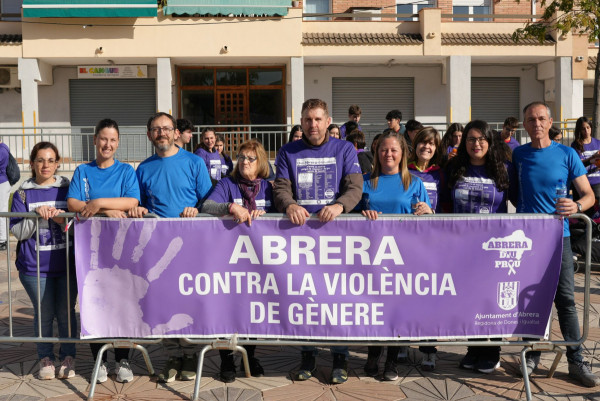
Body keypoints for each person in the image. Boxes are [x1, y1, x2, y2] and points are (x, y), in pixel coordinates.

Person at [274, 98, 363, 384]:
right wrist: (288, 205)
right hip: (302, 239)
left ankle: (340, 357)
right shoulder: (288, 151)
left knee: (337, 298)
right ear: (301, 123)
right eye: (307, 119)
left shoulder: (345, 148)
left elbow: (355, 187)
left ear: (327, 121)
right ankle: (308, 354)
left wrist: (339, 206)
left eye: (318, 119)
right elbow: (281, 188)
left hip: (335, 237)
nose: (313, 124)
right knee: (305, 298)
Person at [513, 102, 599, 387]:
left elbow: (588, 196)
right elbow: (512, 192)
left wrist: (575, 204)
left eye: (541, 118)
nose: (536, 123)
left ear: (551, 123)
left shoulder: (567, 153)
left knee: (565, 300)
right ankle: (531, 353)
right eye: (530, 119)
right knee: (530, 299)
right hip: (527, 238)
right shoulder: (519, 155)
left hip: (557, 236)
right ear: (524, 126)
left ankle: (576, 360)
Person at [128, 112, 212, 383]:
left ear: (176, 133)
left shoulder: (194, 162)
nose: (161, 133)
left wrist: (196, 209)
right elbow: (138, 203)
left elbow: (209, 202)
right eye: (156, 129)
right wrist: (138, 209)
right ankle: (173, 355)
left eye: (166, 128)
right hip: (157, 249)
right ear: (150, 134)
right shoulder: (144, 168)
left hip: (190, 247)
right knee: (164, 303)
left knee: (188, 300)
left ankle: (190, 354)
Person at [67, 118, 140, 383]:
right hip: (90, 252)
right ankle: (99, 359)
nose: (107, 144)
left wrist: (99, 203)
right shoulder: (82, 171)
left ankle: (122, 359)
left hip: (121, 251)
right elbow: (73, 201)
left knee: (123, 304)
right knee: (93, 303)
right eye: (103, 139)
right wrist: (105, 208)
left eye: (112, 140)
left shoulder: (126, 171)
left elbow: (132, 199)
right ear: (95, 140)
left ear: (117, 143)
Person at [444, 119, 516, 373]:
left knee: (491, 300)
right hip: (461, 246)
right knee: (469, 300)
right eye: (471, 139)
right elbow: (444, 203)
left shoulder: (503, 169)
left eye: (481, 139)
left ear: (490, 141)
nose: (477, 144)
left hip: (493, 247)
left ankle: (491, 351)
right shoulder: (454, 167)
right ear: (464, 143)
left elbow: (517, 199)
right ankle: (474, 349)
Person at [359, 131, 432, 380]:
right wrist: (362, 215)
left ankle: (391, 361)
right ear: (376, 152)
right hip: (371, 256)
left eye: (393, 150)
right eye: (383, 150)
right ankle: (372, 354)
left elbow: (428, 221)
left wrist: (428, 211)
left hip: (403, 257)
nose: (388, 154)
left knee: (395, 311)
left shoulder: (415, 182)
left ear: (402, 154)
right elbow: (349, 219)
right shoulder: (365, 182)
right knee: (372, 308)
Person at [201, 139, 272, 382]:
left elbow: (279, 215)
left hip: (258, 263)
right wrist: (231, 206)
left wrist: (268, 216)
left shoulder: (267, 188)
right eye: (241, 157)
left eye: (250, 158)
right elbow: (207, 206)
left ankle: (249, 356)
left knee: (254, 311)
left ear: (260, 161)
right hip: (228, 261)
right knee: (228, 311)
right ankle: (227, 361)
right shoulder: (227, 183)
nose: (244, 162)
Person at [11, 142, 76, 380]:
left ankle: (69, 356)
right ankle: (46, 358)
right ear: (32, 163)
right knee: (44, 313)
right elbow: (17, 231)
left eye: (50, 160)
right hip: (34, 268)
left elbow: (79, 228)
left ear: (58, 163)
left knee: (66, 312)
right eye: (40, 160)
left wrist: (61, 221)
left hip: (67, 265)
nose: (45, 165)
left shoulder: (68, 189)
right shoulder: (22, 192)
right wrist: (33, 215)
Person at [408, 127, 443, 214]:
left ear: (436, 149)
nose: (426, 146)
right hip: (407, 224)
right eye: (423, 142)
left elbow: (446, 207)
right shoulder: (404, 171)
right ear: (416, 145)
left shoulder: (440, 174)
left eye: (431, 143)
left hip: (432, 225)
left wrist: (431, 212)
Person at [571, 116, 600, 199]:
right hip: (583, 184)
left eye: (588, 127)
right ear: (579, 130)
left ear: (591, 127)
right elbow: (578, 165)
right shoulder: (575, 145)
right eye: (583, 129)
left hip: (597, 183)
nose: (586, 131)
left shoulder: (598, 143)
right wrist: (592, 158)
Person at [0, 140, 11, 251]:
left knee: (2, 211)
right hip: (2, 183)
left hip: (2, 184)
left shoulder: (2, 149)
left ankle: (3, 240)